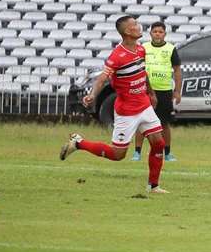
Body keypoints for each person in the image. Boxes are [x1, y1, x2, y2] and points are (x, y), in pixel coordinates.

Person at [59, 15, 169, 194]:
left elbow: (143, 72)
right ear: (127, 31)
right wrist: (93, 94)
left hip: (144, 105)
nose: (139, 27)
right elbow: (103, 78)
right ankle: (79, 143)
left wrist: (151, 93)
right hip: (127, 111)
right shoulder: (117, 56)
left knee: (158, 142)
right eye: (135, 25)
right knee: (118, 155)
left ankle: (153, 186)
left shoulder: (141, 50)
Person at [131, 22, 182, 163]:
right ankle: (137, 152)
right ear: (150, 34)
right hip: (145, 90)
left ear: (165, 34)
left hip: (164, 90)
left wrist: (177, 92)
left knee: (164, 123)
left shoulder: (171, 49)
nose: (158, 34)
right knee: (141, 121)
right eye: (155, 31)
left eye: (160, 31)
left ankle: (168, 153)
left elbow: (177, 71)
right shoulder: (143, 48)